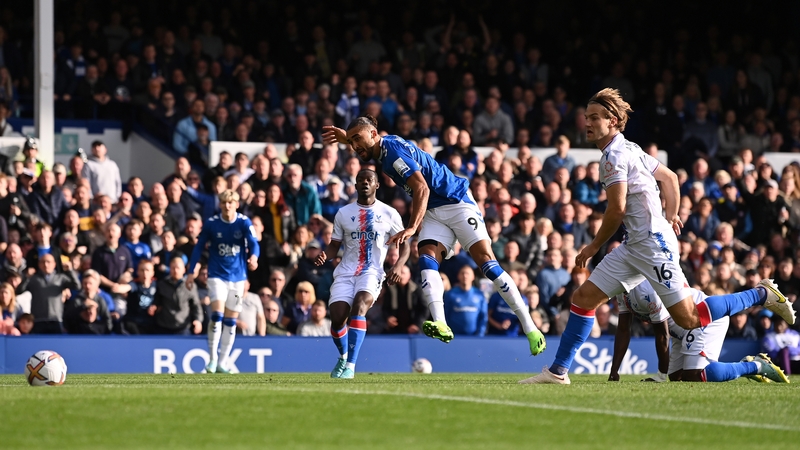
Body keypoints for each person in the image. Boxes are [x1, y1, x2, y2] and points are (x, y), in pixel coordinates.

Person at [520, 88, 794, 384]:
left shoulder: (613, 156)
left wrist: (593, 247)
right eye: (586, 117)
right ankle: (559, 371)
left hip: (652, 246)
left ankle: (762, 294)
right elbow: (671, 178)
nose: (587, 123)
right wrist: (672, 214)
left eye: (595, 117)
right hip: (634, 245)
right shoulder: (631, 148)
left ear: (612, 121)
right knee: (583, 297)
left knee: (688, 318)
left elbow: (617, 209)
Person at [322, 115, 546, 357]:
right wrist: (350, 140)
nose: (355, 146)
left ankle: (530, 328)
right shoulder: (384, 146)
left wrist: (411, 227)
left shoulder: (393, 152)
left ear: (374, 134)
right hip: (434, 211)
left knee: (487, 265)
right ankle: (440, 322)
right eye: (352, 141)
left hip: (457, 202)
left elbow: (421, 187)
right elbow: (369, 148)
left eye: (358, 139)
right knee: (427, 257)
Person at [314, 169, 409, 379]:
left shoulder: (389, 213)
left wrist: (399, 266)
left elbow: (405, 245)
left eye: (369, 180)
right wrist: (325, 255)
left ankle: (351, 366)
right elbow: (334, 245)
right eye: (360, 180)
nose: (365, 183)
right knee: (338, 318)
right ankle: (343, 356)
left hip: (372, 271)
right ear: (355, 185)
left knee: (359, 305)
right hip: (346, 271)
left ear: (377, 185)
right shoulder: (343, 213)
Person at [609, 280, 788, 383]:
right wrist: (614, 371)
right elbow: (623, 329)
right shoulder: (622, 290)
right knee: (677, 377)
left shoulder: (646, 289)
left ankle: (755, 365)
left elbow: (662, 335)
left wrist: (660, 376)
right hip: (681, 330)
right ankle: (759, 295)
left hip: (703, 320)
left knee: (695, 375)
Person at [187, 189, 259, 374]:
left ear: (236, 204)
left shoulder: (243, 222)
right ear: (220, 204)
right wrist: (190, 271)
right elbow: (198, 247)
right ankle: (211, 360)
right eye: (224, 202)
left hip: (237, 279)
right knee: (217, 316)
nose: (227, 206)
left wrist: (254, 258)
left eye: (231, 202)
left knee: (231, 321)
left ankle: (223, 362)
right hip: (216, 276)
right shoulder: (212, 224)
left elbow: (254, 244)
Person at [444, 265, 488, 336]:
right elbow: (446, 314)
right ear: (458, 276)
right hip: (455, 336)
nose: (465, 276)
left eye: (467, 273)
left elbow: (483, 316)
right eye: (462, 273)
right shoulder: (451, 294)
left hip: (474, 337)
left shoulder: (479, 295)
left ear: (473, 276)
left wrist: (480, 335)